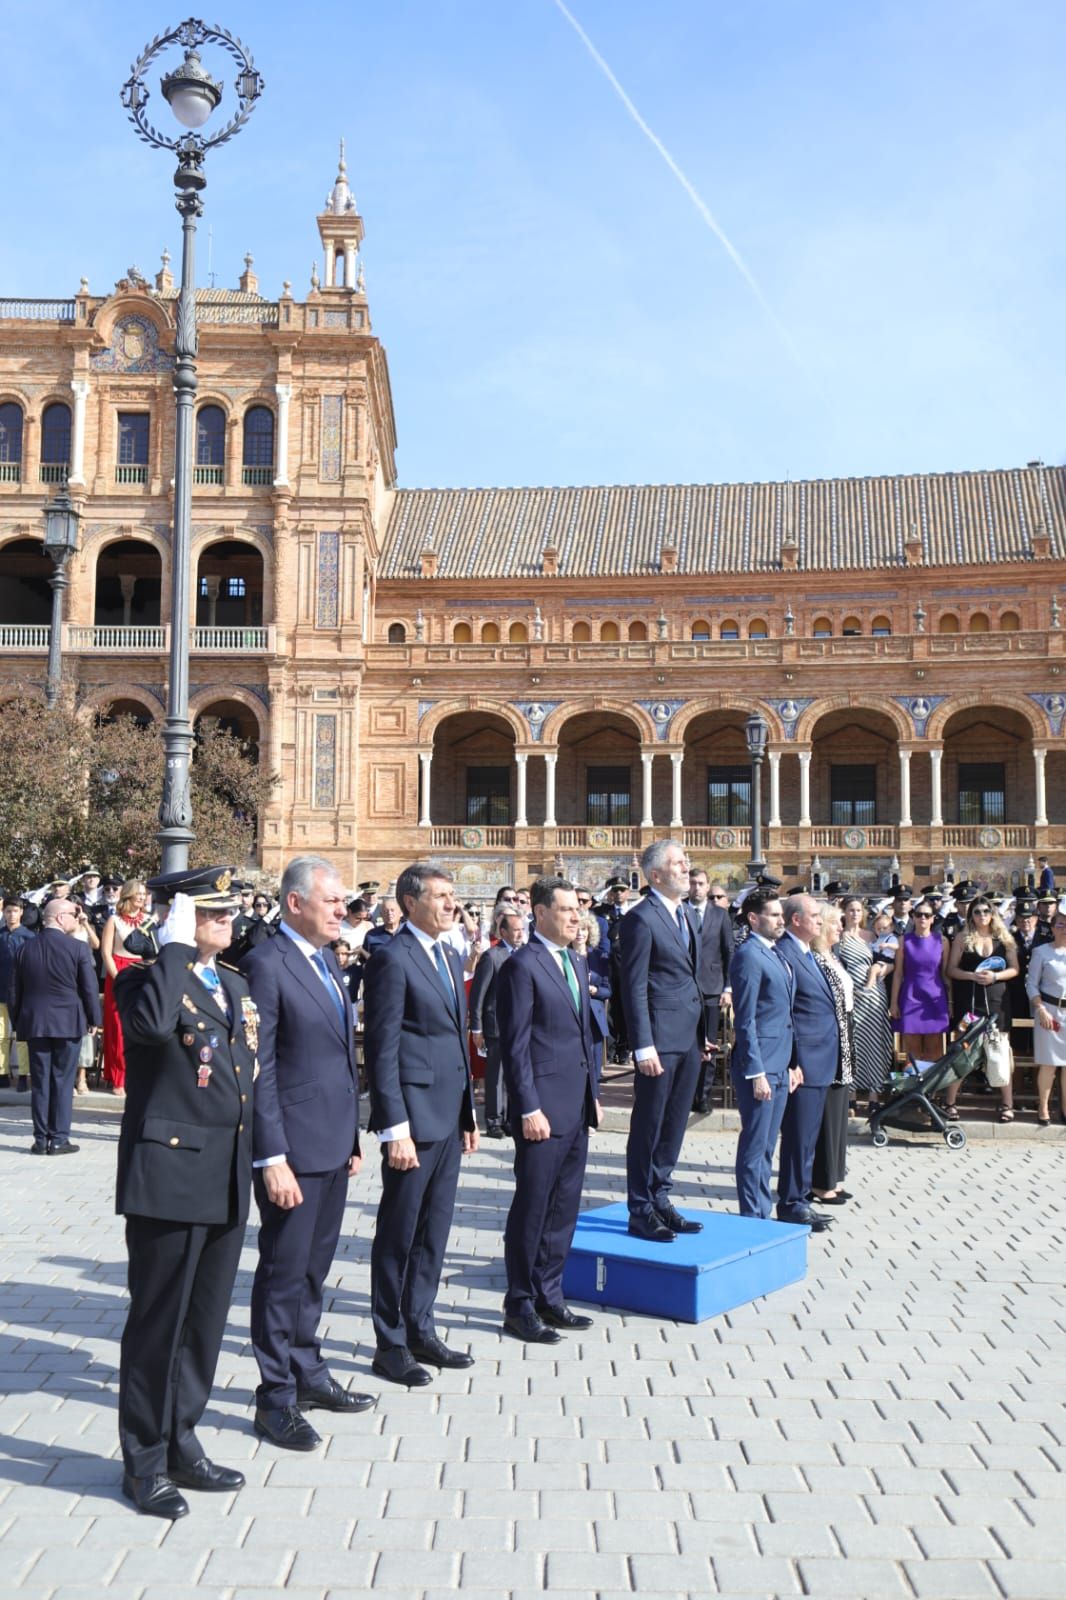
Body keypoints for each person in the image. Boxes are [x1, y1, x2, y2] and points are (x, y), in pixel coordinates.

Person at [113, 868, 255, 1520]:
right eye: (210, 912)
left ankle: (182, 1439)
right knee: (157, 1326)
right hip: (168, 1177)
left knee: (202, 1326)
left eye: (228, 911)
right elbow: (149, 1030)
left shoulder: (230, 984)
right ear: (180, 918)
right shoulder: (143, 980)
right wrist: (169, 948)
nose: (226, 920)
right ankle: (143, 1462)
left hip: (224, 1173)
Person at [241, 856, 370, 1453]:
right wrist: (272, 1157)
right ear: (296, 903)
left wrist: (349, 1140)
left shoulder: (324, 960)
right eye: (333, 900)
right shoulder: (268, 963)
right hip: (292, 1148)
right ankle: (275, 1397)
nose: (343, 909)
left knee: (314, 1272)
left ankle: (308, 1371)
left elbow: (339, 1057)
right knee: (283, 1273)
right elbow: (260, 1070)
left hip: (330, 1141)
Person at [363, 863, 478, 1388]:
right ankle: (389, 1343)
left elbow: (457, 1043)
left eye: (453, 895)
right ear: (410, 902)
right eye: (441, 896)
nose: (452, 904)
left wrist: (468, 1114)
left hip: (448, 1118)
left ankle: (421, 1327)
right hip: (412, 1120)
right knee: (399, 1235)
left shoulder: (450, 955)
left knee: (434, 1233)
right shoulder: (392, 958)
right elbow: (383, 1050)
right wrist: (394, 1128)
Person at [496, 876, 600, 1344]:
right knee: (533, 1208)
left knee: (564, 1209)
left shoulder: (574, 961)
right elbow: (515, 1047)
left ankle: (550, 1295)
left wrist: (591, 1092)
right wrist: (527, 1106)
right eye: (566, 910)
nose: (576, 917)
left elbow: (581, 1037)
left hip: (575, 1105)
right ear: (539, 913)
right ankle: (519, 1303)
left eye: (578, 910)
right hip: (541, 1110)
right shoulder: (523, 966)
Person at [619, 839, 706, 1243]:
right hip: (659, 1039)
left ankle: (661, 1196)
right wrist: (643, 1045)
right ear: (655, 875)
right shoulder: (641, 918)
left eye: (686, 862)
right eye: (677, 863)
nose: (686, 868)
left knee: (673, 1124)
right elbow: (634, 987)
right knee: (649, 1124)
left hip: (688, 1038)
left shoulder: (686, 913)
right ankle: (639, 1208)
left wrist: (701, 1036)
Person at [9, 897, 101, 1156]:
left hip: (35, 1023)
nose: (77, 917)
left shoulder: (25, 949)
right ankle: (59, 1139)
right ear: (61, 917)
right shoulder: (78, 948)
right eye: (74, 913)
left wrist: (18, 1022)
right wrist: (94, 1018)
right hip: (68, 1023)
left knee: (40, 1082)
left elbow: (14, 990)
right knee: (62, 1081)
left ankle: (40, 1140)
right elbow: (89, 988)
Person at [727, 889, 797, 1220]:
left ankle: (762, 1212)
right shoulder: (749, 955)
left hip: (780, 1062)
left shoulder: (775, 952)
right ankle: (752, 1216)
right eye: (773, 915)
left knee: (769, 1145)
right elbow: (746, 1018)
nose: (780, 920)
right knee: (755, 1146)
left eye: (781, 915)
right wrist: (756, 1071)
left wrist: (792, 1063)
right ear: (753, 918)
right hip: (760, 1065)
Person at [774, 894, 840, 1233]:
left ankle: (799, 1198)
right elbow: (785, 1014)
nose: (820, 920)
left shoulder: (806, 953)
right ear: (796, 920)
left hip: (820, 1059)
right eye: (814, 915)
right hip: (804, 1062)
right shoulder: (786, 953)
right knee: (799, 1137)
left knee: (808, 1137)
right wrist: (792, 1061)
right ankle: (791, 1203)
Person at [944, 898, 1018, 1124]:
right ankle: (950, 1103)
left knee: (1000, 1052)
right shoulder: (961, 937)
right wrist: (971, 976)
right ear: (971, 915)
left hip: (997, 1001)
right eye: (977, 911)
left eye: (987, 911)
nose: (982, 915)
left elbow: (1015, 969)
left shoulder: (1004, 938)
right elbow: (951, 970)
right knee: (962, 1052)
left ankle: (1007, 1105)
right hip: (970, 1002)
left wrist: (995, 976)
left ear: (993, 913)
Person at [809, 905, 855, 1206]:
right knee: (825, 1111)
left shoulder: (833, 956)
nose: (841, 927)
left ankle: (834, 1176)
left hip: (843, 1035)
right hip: (827, 1040)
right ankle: (819, 1183)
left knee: (839, 1107)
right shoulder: (813, 959)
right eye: (836, 922)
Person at [468, 909, 525, 1138]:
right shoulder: (493, 956)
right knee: (496, 1076)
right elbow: (478, 995)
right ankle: (494, 1121)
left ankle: (510, 1118)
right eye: (516, 930)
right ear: (503, 932)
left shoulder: (524, 954)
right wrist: (477, 1028)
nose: (521, 934)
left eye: (522, 929)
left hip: (519, 1026)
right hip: (496, 1026)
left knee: (514, 1074)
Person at [837, 896, 896, 1112]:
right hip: (850, 995)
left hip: (873, 995)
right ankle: (850, 1095)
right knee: (852, 1044)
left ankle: (873, 1095)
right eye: (851, 910)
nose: (854, 914)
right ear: (844, 912)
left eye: (858, 910)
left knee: (875, 1043)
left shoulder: (872, 936)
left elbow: (891, 961)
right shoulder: (838, 937)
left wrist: (881, 970)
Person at [685, 866, 733, 1113]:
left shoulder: (719, 915)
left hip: (713, 988)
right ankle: (685, 1093)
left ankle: (702, 1096)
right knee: (686, 1043)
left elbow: (728, 951)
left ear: (707, 885)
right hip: (684, 988)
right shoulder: (680, 910)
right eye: (693, 883)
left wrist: (727, 986)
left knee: (709, 1044)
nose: (697, 888)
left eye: (701, 883)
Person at [100, 879, 154, 1097]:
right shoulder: (113, 920)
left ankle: (137, 1075)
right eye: (138, 893)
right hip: (119, 973)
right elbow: (106, 953)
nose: (142, 897)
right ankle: (117, 1078)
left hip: (142, 972)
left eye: (144, 894)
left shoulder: (149, 921)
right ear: (129, 895)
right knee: (118, 1029)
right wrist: (119, 979)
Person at [890, 899, 950, 1066]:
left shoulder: (942, 941)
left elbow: (946, 975)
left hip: (935, 997)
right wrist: (894, 1003)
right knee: (911, 1049)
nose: (922, 918)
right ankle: (912, 1089)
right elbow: (898, 973)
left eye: (927, 915)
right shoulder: (904, 940)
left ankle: (930, 1091)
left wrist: (950, 1002)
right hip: (911, 996)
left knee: (935, 1049)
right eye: (918, 915)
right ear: (913, 918)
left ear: (932, 919)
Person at [1026, 909, 1066, 1125]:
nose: (1064, 929)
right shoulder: (1042, 952)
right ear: (1052, 928)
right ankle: (1043, 1107)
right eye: (1060, 925)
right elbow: (1031, 983)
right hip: (1049, 1011)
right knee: (1049, 1065)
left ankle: (1065, 1110)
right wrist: (1040, 1009)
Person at [0, 895, 34, 1091]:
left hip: (23, 993)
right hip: (1, 992)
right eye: (8, 911)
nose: (11, 914)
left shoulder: (29, 937)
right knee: (1, 1035)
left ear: (21, 912)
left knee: (22, 1036)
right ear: (3, 912)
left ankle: (23, 1074)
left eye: (14, 911)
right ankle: (2, 1073)